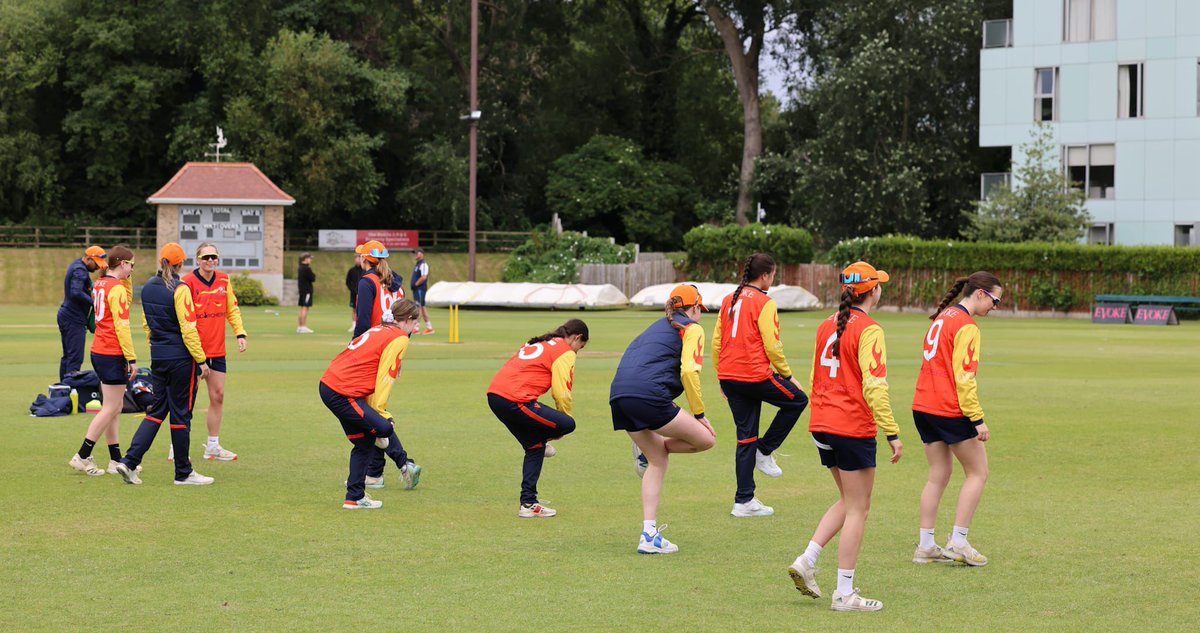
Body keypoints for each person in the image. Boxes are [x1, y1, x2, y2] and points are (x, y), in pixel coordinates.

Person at [787, 261, 902, 613]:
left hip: (822, 423)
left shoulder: (825, 325)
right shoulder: (869, 329)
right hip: (851, 426)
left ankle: (808, 559)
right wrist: (892, 432)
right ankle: (844, 593)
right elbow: (875, 386)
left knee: (848, 500)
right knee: (859, 509)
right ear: (873, 291)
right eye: (879, 285)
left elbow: (813, 377)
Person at [610, 285, 716, 553]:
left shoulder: (654, 327)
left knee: (658, 458)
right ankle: (650, 448)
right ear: (692, 309)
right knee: (706, 440)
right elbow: (690, 372)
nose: (700, 315)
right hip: (649, 396)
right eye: (699, 310)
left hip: (618, 396)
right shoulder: (693, 328)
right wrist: (700, 415)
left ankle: (648, 535)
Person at [911, 271, 1003, 567]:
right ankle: (958, 541)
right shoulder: (967, 326)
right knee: (978, 472)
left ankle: (926, 546)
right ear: (980, 294)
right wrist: (977, 419)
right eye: (995, 301)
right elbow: (964, 378)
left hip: (922, 404)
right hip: (948, 408)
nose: (995, 307)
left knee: (938, 474)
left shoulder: (943, 316)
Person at [712, 253, 808, 518]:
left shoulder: (727, 299)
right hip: (754, 375)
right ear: (765, 276)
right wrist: (787, 376)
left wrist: (722, 376)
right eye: (773, 275)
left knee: (746, 438)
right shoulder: (765, 302)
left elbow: (717, 342)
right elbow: (772, 345)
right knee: (798, 400)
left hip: (731, 377)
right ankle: (764, 451)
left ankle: (744, 501)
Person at [114, 243, 214, 486]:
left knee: (157, 411)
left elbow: (147, 323)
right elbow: (188, 329)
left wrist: (156, 345)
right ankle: (183, 473)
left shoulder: (147, 287)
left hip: (158, 356)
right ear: (180, 263)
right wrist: (201, 360)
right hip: (181, 359)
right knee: (181, 414)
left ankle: (129, 461)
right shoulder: (180, 289)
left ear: (162, 262)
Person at [319, 299, 423, 509]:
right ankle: (385, 447)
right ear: (408, 320)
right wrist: (381, 412)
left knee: (364, 442)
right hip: (342, 391)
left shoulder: (380, 329)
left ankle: (354, 497)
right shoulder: (400, 337)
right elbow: (386, 378)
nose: (415, 327)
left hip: (332, 385)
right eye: (415, 322)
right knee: (384, 428)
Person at [487, 319, 589, 518]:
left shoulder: (542, 342)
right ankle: (545, 440)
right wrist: (562, 420)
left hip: (495, 396)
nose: (577, 351)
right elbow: (561, 392)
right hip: (514, 400)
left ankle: (528, 503)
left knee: (535, 448)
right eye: (580, 347)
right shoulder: (564, 351)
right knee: (568, 424)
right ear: (576, 338)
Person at [67, 245, 137, 476]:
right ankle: (82, 455)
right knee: (111, 407)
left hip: (99, 349)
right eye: (131, 265)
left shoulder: (101, 283)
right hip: (111, 351)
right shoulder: (114, 288)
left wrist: (126, 279)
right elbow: (122, 325)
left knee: (114, 408)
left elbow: (124, 297)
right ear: (123, 263)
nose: (132, 270)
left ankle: (115, 459)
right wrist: (131, 357)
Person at [180, 242, 248, 462]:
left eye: (213, 257)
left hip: (217, 350)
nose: (210, 261)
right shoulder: (187, 282)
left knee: (217, 396)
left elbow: (232, 309)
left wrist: (240, 333)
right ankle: (177, 444)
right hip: (192, 351)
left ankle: (213, 446)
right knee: (186, 401)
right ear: (197, 259)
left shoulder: (224, 280)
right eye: (206, 257)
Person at [57, 245, 107, 380]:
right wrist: (94, 302)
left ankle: (63, 390)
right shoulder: (80, 270)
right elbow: (76, 292)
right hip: (73, 318)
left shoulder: (77, 266)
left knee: (68, 356)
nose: (97, 267)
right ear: (88, 258)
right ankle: (69, 392)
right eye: (96, 264)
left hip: (68, 316)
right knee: (75, 358)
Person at [353, 241, 404, 339]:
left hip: (375, 341)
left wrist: (355, 342)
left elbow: (363, 321)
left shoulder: (367, 282)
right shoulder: (399, 286)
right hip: (395, 341)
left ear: (364, 258)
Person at [411, 249, 433, 335]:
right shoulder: (418, 264)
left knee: (419, 307)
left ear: (422, 254)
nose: (416, 254)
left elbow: (424, 277)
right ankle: (429, 327)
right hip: (417, 289)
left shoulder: (423, 264)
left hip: (420, 289)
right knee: (422, 307)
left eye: (417, 253)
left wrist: (416, 284)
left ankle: (416, 328)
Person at [345, 247, 366, 333]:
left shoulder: (365, 270)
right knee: (354, 309)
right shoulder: (351, 270)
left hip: (363, 293)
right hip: (354, 293)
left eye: (359, 257)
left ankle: (361, 324)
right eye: (356, 258)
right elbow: (348, 282)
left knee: (363, 309)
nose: (357, 259)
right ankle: (354, 325)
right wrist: (353, 290)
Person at [297, 253, 315, 333]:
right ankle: (303, 326)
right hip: (307, 291)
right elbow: (312, 278)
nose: (311, 260)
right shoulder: (306, 269)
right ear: (305, 259)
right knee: (305, 308)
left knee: (302, 308)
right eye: (310, 258)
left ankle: (300, 326)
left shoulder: (300, 268)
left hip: (302, 290)